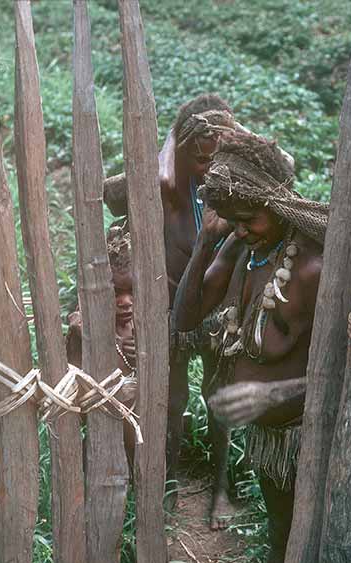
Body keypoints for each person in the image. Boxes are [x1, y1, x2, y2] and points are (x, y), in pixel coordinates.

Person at [173, 130, 329, 563]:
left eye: (249, 217)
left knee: (304, 549)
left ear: (278, 204)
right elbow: (185, 317)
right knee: (284, 543)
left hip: (313, 438)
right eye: (230, 217)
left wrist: (275, 394)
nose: (239, 227)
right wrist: (206, 243)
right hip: (271, 443)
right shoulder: (242, 250)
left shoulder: (314, 267)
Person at [104, 94, 238, 529]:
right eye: (199, 148)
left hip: (220, 314)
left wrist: (234, 137)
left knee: (220, 402)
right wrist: (169, 140)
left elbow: (285, 169)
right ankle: (170, 484)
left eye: (217, 148)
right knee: (171, 400)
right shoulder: (162, 187)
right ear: (180, 147)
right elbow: (110, 193)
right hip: (171, 311)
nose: (209, 157)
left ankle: (221, 491)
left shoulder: (230, 187)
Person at [66, 222, 189, 563]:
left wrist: (149, 350)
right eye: (116, 291)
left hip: (143, 441)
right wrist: (83, 339)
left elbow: (167, 389)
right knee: (102, 519)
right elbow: (73, 384)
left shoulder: (153, 324)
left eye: (131, 291)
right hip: (103, 442)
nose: (124, 301)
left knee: (151, 515)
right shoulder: (86, 326)